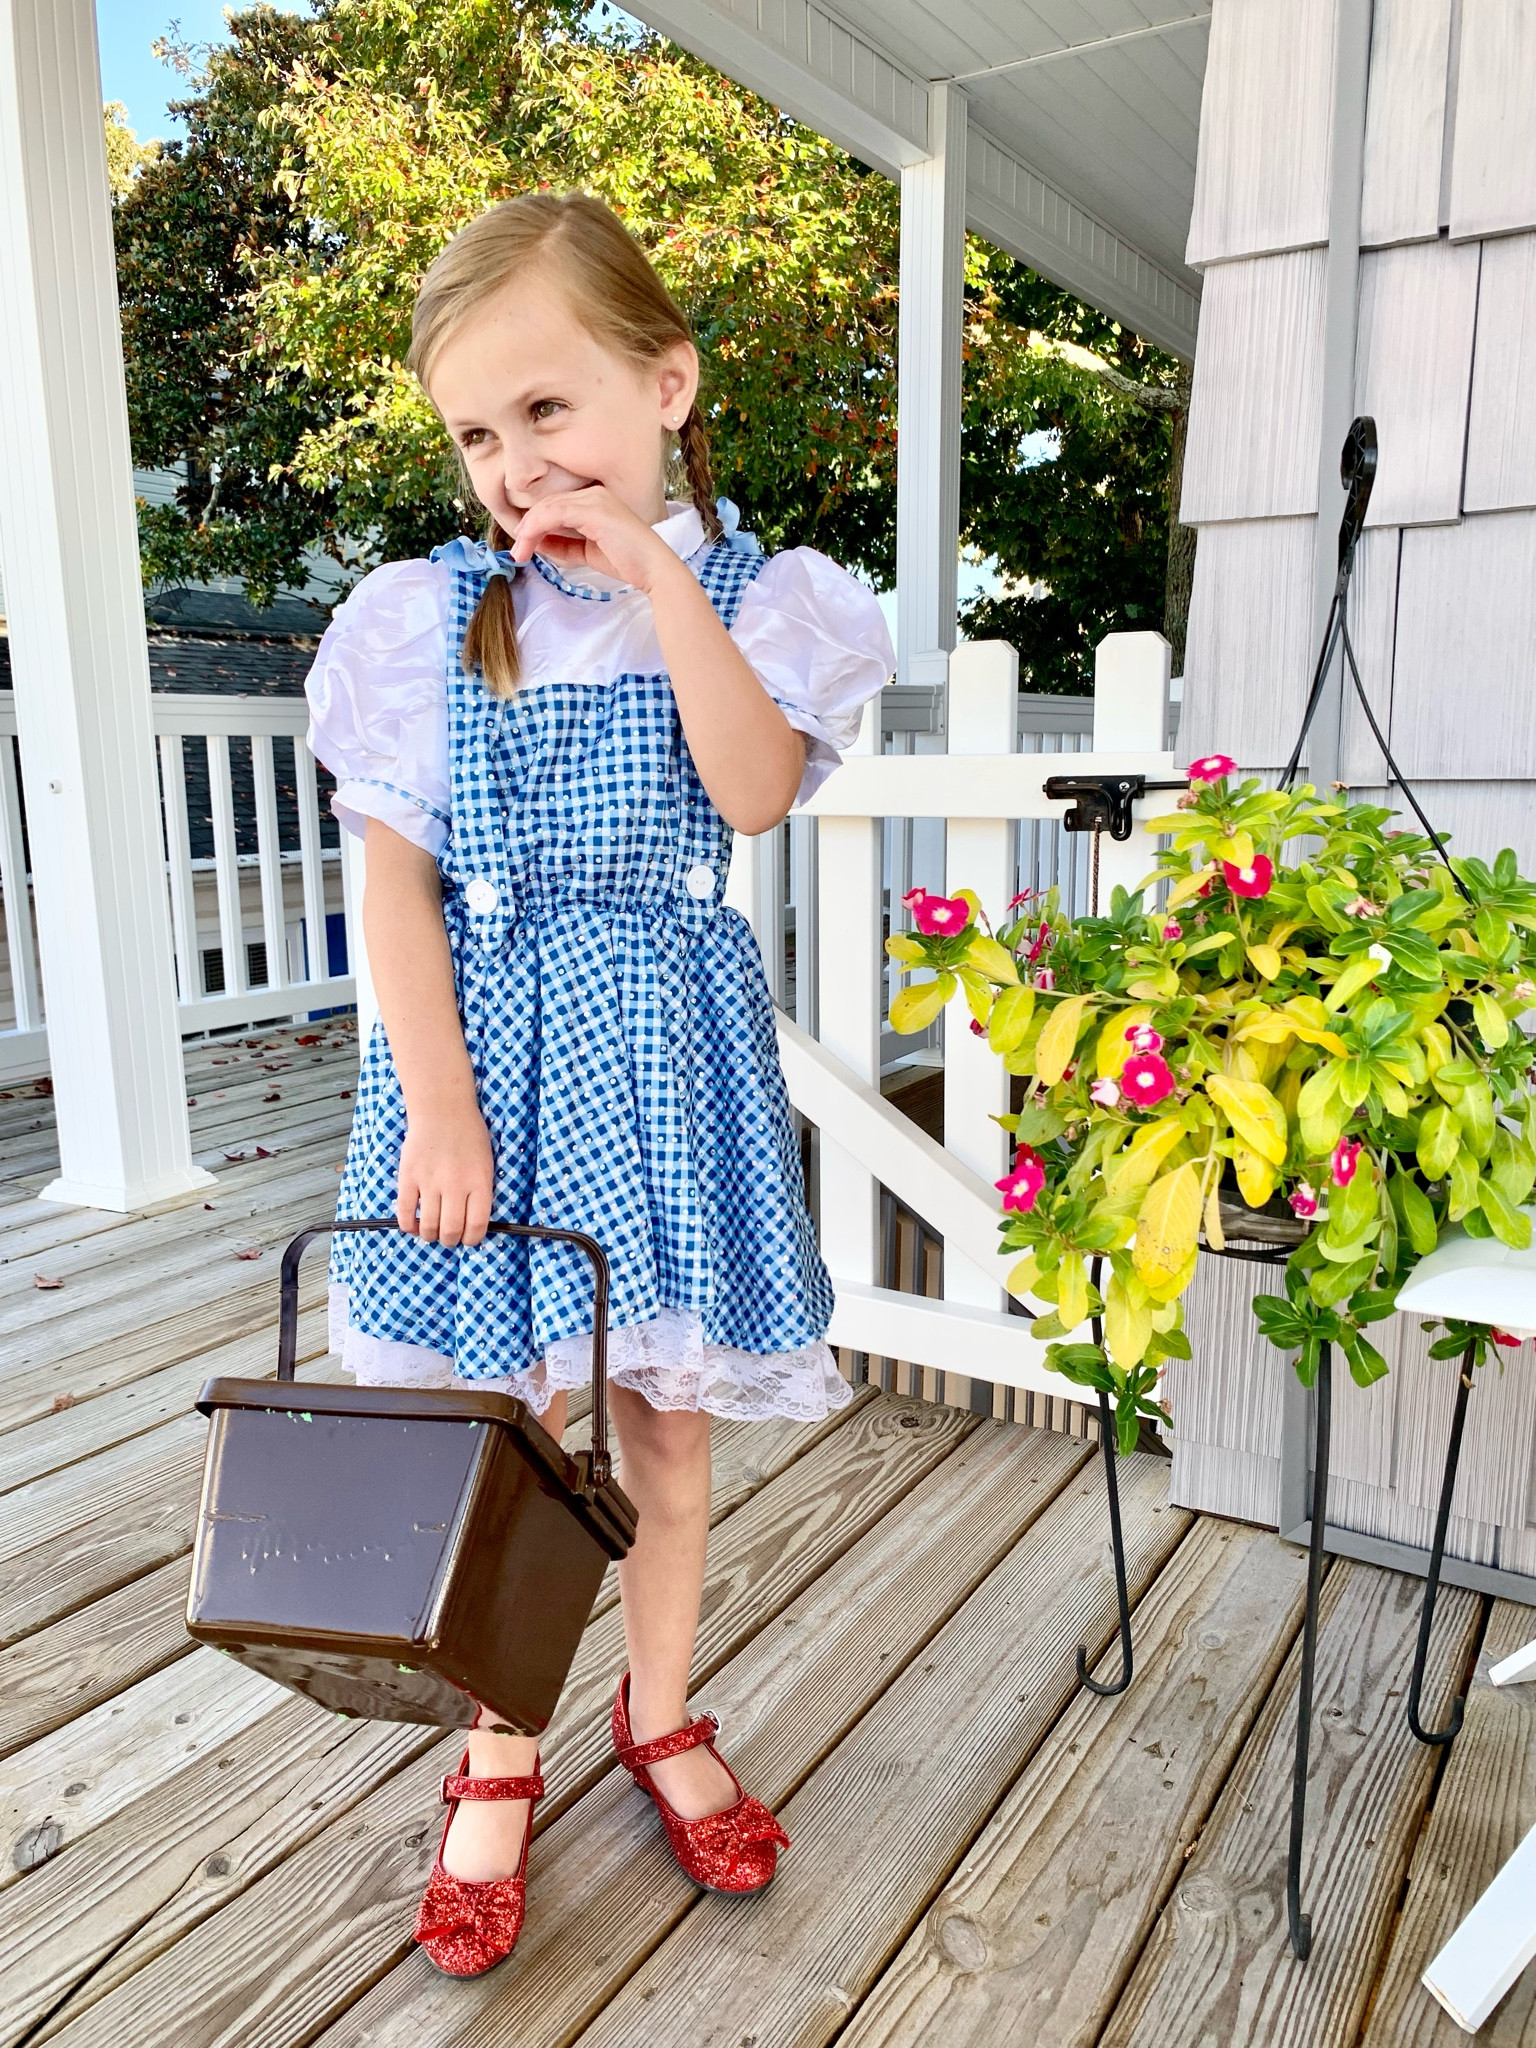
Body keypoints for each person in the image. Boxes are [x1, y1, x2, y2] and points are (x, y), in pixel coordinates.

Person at [304, 188, 894, 1977]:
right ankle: (501, 1748)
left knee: (663, 1425)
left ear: (667, 384)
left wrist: (650, 571)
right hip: (488, 1060)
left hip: (659, 1061)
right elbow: (389, 880)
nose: (511, 464)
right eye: (478, 432)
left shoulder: (759, 598)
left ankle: (657, 1708)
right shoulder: (429, 621)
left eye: (546, 411)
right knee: (510, 1430)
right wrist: (444, 1109)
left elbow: (749, 792)